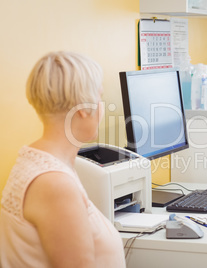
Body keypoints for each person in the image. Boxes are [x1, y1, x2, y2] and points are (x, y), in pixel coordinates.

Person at [0, 52, 125, 267]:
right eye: (99, 97)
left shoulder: (40, 162)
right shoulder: (54, 185)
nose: (102, 107)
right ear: (83, 108)